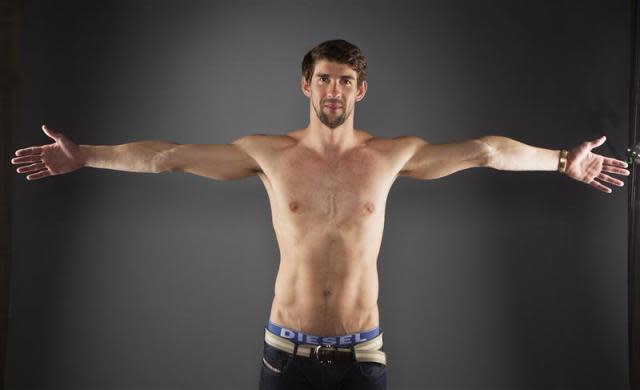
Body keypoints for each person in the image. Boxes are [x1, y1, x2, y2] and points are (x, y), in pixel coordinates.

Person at [10, 39, 630, 390]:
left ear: (360, 92)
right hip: (283, 357)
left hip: (364, 360)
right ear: (305, 87)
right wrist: (84, 155)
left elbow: (489, 151)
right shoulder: (267, 154)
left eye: (344, 82)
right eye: (323, 80)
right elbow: (166, 156)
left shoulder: (394, 155)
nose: (333, 91)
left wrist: (558, 162)